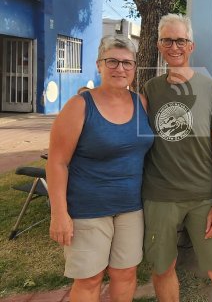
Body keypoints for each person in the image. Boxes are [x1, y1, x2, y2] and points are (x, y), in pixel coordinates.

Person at [46, 36, 154, 302]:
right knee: (90, 278)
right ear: (99, 65)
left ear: (135, 68)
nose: (120, 68)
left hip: (131, 207)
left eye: (127, 63)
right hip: (88, 209)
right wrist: (59, 213)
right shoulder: (80, 106)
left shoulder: (141, 103)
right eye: (112, 61)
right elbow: (57, 162)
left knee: (126, 273)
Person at [143, 13, 212, 302]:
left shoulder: (210, 89)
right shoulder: (150, 89)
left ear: (191, 45)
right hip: (160, 196)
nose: (175, 46)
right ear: (159, 45)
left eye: (181, 40)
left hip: (203, 198)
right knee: (163, 269)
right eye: (168, 40)